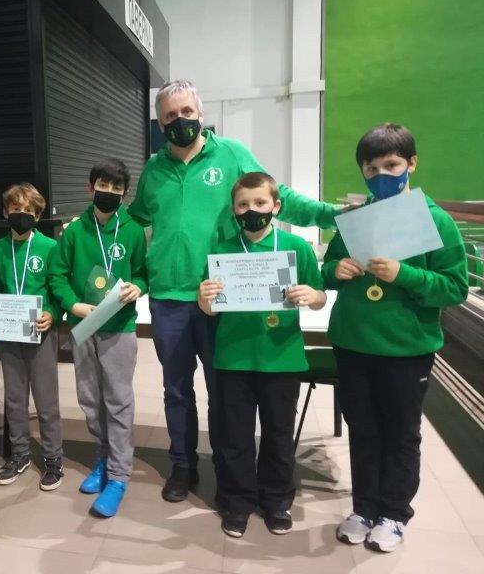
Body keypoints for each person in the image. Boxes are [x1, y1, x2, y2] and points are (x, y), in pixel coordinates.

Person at [128, 79, 340, 502]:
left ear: (200, 114)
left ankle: (228, 470)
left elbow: (278, 196)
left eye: (187, 112)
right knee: (175, 391)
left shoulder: (231, 154)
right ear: (160, 122)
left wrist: (333, 214)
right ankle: (183, 465)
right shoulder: (153, 169)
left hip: (222, 297)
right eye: (170, 116)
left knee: (223, 392)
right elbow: (134, 220)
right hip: (169, 299)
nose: (180, 120)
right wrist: (94, 232)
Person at [323, 123, 468, 552]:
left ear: (411, 163)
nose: (381, 175)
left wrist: (405, 274)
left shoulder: (435, 220)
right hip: (353, 344)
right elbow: (327, 269)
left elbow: (455, 287)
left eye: (391, 165)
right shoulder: (355, 220)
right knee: (363, 429)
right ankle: (364, 507)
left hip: (406, 349)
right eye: (372, 169)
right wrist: (336, 270)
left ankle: (393, 512)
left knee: (401, 433)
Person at [198, 173, 326, 538]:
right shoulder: (222, 251)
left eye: (259, 203)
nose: (251, 210)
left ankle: (276, 500)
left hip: (282, 358)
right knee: (235, 436)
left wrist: (311, 296)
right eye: (243, 205)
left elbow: (320, 297)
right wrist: (204, 299)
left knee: (278, 434)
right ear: (233, 210)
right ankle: (236, 501)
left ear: (275, 206)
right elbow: (209, 309)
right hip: (233, 358)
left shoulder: (295, 248)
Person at [48, 158, 147, 517]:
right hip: (85, 325)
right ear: (91, 188)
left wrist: (139, 287)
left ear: (125, 193)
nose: (108, 192)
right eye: (102, 186)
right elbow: (57, 275)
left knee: (118, 400)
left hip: (119, 327)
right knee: (90, 399)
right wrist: (72, 304)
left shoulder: (133, 231)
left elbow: (143, 273)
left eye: (116, 188)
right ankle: (102, 458)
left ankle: (119, 476)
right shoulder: (74, 231)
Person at [0, 183, 64, 490]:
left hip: (40, 332)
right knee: (14, 399)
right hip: (9, 333)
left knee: (46, 399)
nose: (21, 214)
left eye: (29, 210)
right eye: (15, 209)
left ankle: (53, 458)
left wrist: (52, 313)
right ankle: (19, 454)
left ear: (38, 216)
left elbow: (58, 289)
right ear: (6, 212)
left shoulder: (50, 247)